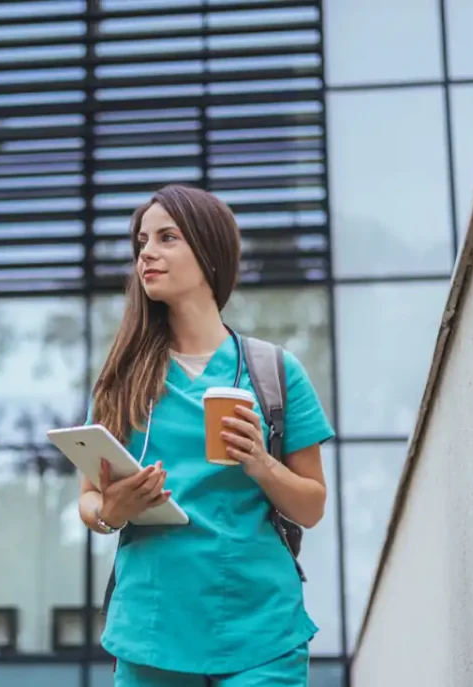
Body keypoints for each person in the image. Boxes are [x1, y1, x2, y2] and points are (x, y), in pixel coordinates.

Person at [78, 184, 335, 686]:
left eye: (167, 238)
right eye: (141, 242)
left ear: (209, 252)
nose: (146, 252)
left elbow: (311, 506)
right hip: (151, 631)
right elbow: (89, 499)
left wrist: (261, 462)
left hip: (260, 630)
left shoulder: (275, 372)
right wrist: (110, 514)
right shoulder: (122, 381)